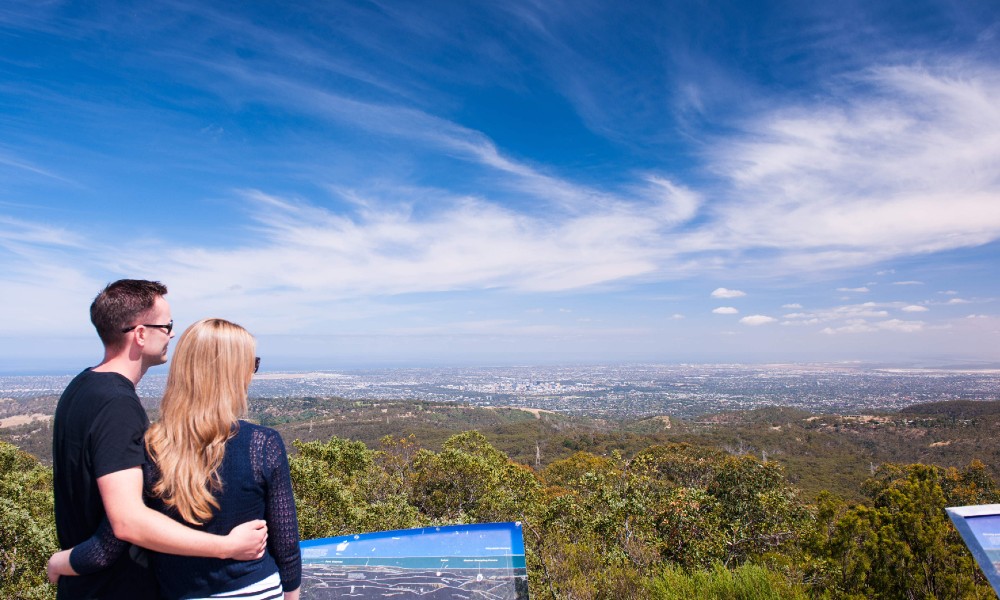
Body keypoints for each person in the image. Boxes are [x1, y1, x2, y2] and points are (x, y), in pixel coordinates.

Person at [51, 318, 302, 600]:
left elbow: (108, 545)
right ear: (233, 373)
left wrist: (58, 562)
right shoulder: (262, 444)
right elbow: (286, 546)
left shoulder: (152, 448)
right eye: (251, 364)